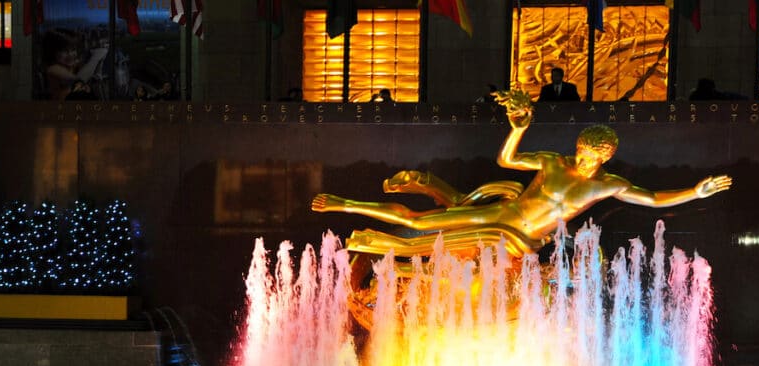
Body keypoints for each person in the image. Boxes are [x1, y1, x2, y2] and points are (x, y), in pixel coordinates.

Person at [313, 89, 732, 259]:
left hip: (525, 241)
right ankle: (346, 204)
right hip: (503, 217)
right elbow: (507, 162)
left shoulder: (607, 185)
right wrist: (517, 129)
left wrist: (696, 191)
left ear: (606, 158)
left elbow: (655, 199)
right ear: (578, 148)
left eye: (594, 156)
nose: (586, 160)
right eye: (583, 151)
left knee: (431, 234)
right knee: (418, 222)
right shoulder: (552, 161)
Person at [42, 29, 108, 101]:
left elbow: (93, 74)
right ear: (52, 52)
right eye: (64, 51)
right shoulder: (53, 68)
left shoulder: (72, 65)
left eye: (73, 50)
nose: (70, 54)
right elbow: (79, 80)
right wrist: (96, 57)